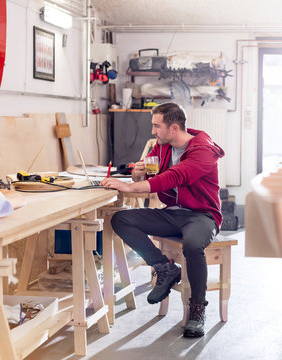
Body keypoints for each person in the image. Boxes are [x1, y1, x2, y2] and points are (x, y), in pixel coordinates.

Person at [101, 102, 225, 338]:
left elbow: (172, 177)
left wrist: (129, 187)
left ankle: (197, 309)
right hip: (173, 213)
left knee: (192, 245)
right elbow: (151, 171)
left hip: (202, 215)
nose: (153, 131)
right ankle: (164, 268)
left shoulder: (202, 151)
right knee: (121, 220)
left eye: (157, 126)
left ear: (174, 127)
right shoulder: (162, 147)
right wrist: (137, 173)